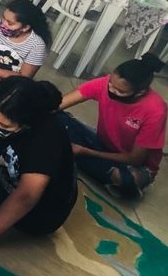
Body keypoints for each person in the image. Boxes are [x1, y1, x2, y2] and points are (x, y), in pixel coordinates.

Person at [0, 77, 77, 268]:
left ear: (28, 123)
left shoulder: (47, 136)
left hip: (38, 215)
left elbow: (27, 196)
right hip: (23, 175)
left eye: (5, 126)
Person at [60, 54, 166, 199]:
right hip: (101, 143)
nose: (111, 90)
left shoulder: (155, 110)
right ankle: (72, 153)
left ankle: (70, 153)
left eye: (120, 91)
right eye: (110, 83)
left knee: (126, 180)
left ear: (140, 92)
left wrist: (84, 151)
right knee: (57, 118)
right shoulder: (107, 83)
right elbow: (60, 103)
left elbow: (135, 159)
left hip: (132, 164)